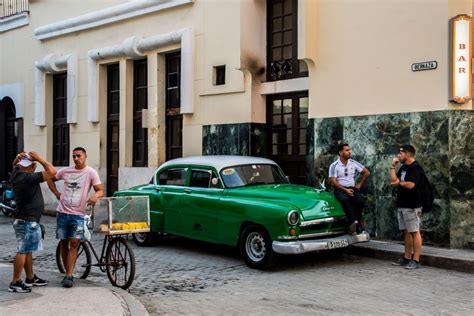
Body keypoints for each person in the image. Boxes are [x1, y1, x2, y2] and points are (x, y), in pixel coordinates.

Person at [47, 147, 104, 288]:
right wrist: (56, 193)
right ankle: (68, 272)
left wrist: (95, 196)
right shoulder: (66, 171)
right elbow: (50, 178)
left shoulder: (91, 172)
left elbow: (100, 189)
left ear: (85, 156)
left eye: (79, 156)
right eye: (74, 156)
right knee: (63, 242)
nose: (76, 158)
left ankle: (69, 275)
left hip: (78, 214)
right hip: (62, 212)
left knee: (74, 242)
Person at [9, 151, 56, 293]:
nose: (22, 168)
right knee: (23, 250)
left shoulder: (16, 174)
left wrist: (16, 160)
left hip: (25, 220)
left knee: (27, 250)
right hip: (27, 221)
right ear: (33, 167)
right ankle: (15, 282)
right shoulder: (27, 177)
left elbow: (15, 167)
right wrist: (40, 158)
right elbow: (52, 172)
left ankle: (30, 278)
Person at [390, 144, 424, 269]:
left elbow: (411, 185)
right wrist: (393, 166)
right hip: (402, 204)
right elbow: (394, 180)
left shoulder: (416, 168)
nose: (398, 155)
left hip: (412, 204)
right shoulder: (404, 167)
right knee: (406, 232)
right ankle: (407, 257)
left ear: (408, 153)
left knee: (415, 231)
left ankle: (416, 260)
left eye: (401, 153)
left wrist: (400, 183)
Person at [329, 143, 371, 234]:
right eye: (347, 150)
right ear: (340, 152)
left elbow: (367, 172)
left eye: (349, 150)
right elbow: (333, 181)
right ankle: (355, 223)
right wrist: (345, 190)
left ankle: (354, 223)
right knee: (345, 200)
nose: (349, 152)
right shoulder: (334, 165)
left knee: (360, 201)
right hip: (340, 189)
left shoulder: (353, 162)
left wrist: (359, 184)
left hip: (352, 187)